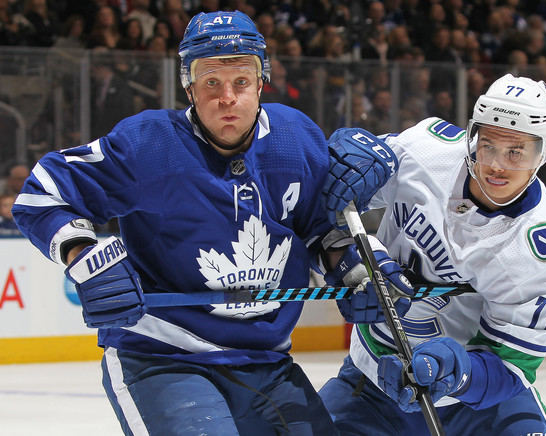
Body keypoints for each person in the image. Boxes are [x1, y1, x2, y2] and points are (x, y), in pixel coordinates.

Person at [12, 10, 411, 435]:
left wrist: (352, 265)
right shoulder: (148, 145)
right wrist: (85, 256)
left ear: (261, 83)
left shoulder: (295, 138)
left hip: (267, 361)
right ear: (189, 87)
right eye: (211, 83)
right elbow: (41, 195)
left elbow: (320, 228)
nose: (227, 98)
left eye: (241, 82)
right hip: (163, 357)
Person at [319, 74, 546, 435]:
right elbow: (330, 203)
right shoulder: (425, 150)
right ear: (473, 134)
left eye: (516, 152)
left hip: (482, 405)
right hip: (372, 383)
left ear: (545, 152)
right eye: (487, 145)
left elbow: (511, 368)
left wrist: (458, 372)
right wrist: (348, 253)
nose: (497, 165)